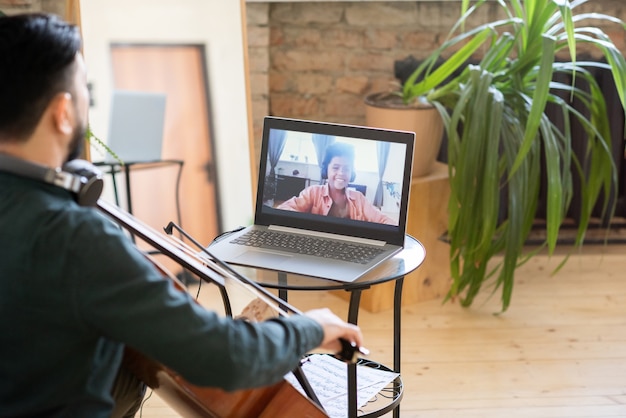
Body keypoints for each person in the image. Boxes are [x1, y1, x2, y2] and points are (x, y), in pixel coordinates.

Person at [0, 13, 363, 417]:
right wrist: (310, 328)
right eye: (84, 89)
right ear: (63, 112)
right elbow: (224, 358)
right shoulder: (74, 236)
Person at [277, 142, 395, 224]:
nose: (341, 173)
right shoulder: (313, 192)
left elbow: (383, 220)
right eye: (336, 167)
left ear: (351, 173)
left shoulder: (359, 199)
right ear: (326, 170)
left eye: (346, 169)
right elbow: (284, 209)